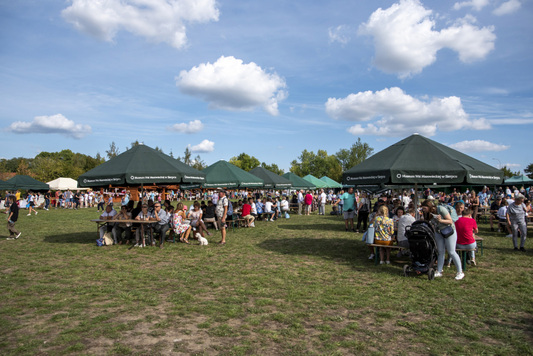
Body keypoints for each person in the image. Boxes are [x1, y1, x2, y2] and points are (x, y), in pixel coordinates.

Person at [421, 200, 464, 280]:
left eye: (424, 208)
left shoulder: (440, 209)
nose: (423, 210)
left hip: (449, 231)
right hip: (439, 232)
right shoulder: (427, 214)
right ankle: (439, 271)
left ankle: (460, 272)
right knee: (440, 252)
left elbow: (450, 221)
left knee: (451, 252)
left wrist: (440, 220)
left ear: (429, 207)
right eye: (422, 208)